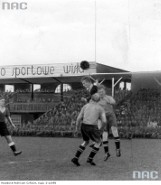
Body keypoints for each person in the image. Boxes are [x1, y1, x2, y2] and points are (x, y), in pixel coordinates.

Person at [71, 93, 106, 166]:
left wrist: (76, 129)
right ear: (99, 100)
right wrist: (101, 130)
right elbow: (104, 121)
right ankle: (90, 159)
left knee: (86, 141)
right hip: (92, 127)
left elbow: (78, 119)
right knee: (99, 142)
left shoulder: (85, 106)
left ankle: (75, 158)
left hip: (83, 126)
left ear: (91, 99)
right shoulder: (100, 108)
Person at [97, 85, 121, 161]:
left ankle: (118, 149)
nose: (101, 93)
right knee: (104, 135)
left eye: (102, 91)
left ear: (105, 91)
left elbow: (113, 102)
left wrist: (108, 101)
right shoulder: (96, 99)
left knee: (114, 131)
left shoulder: (108, 97)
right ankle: (107, 153)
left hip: (111, 116)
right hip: (103, 117)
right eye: (99, 92)